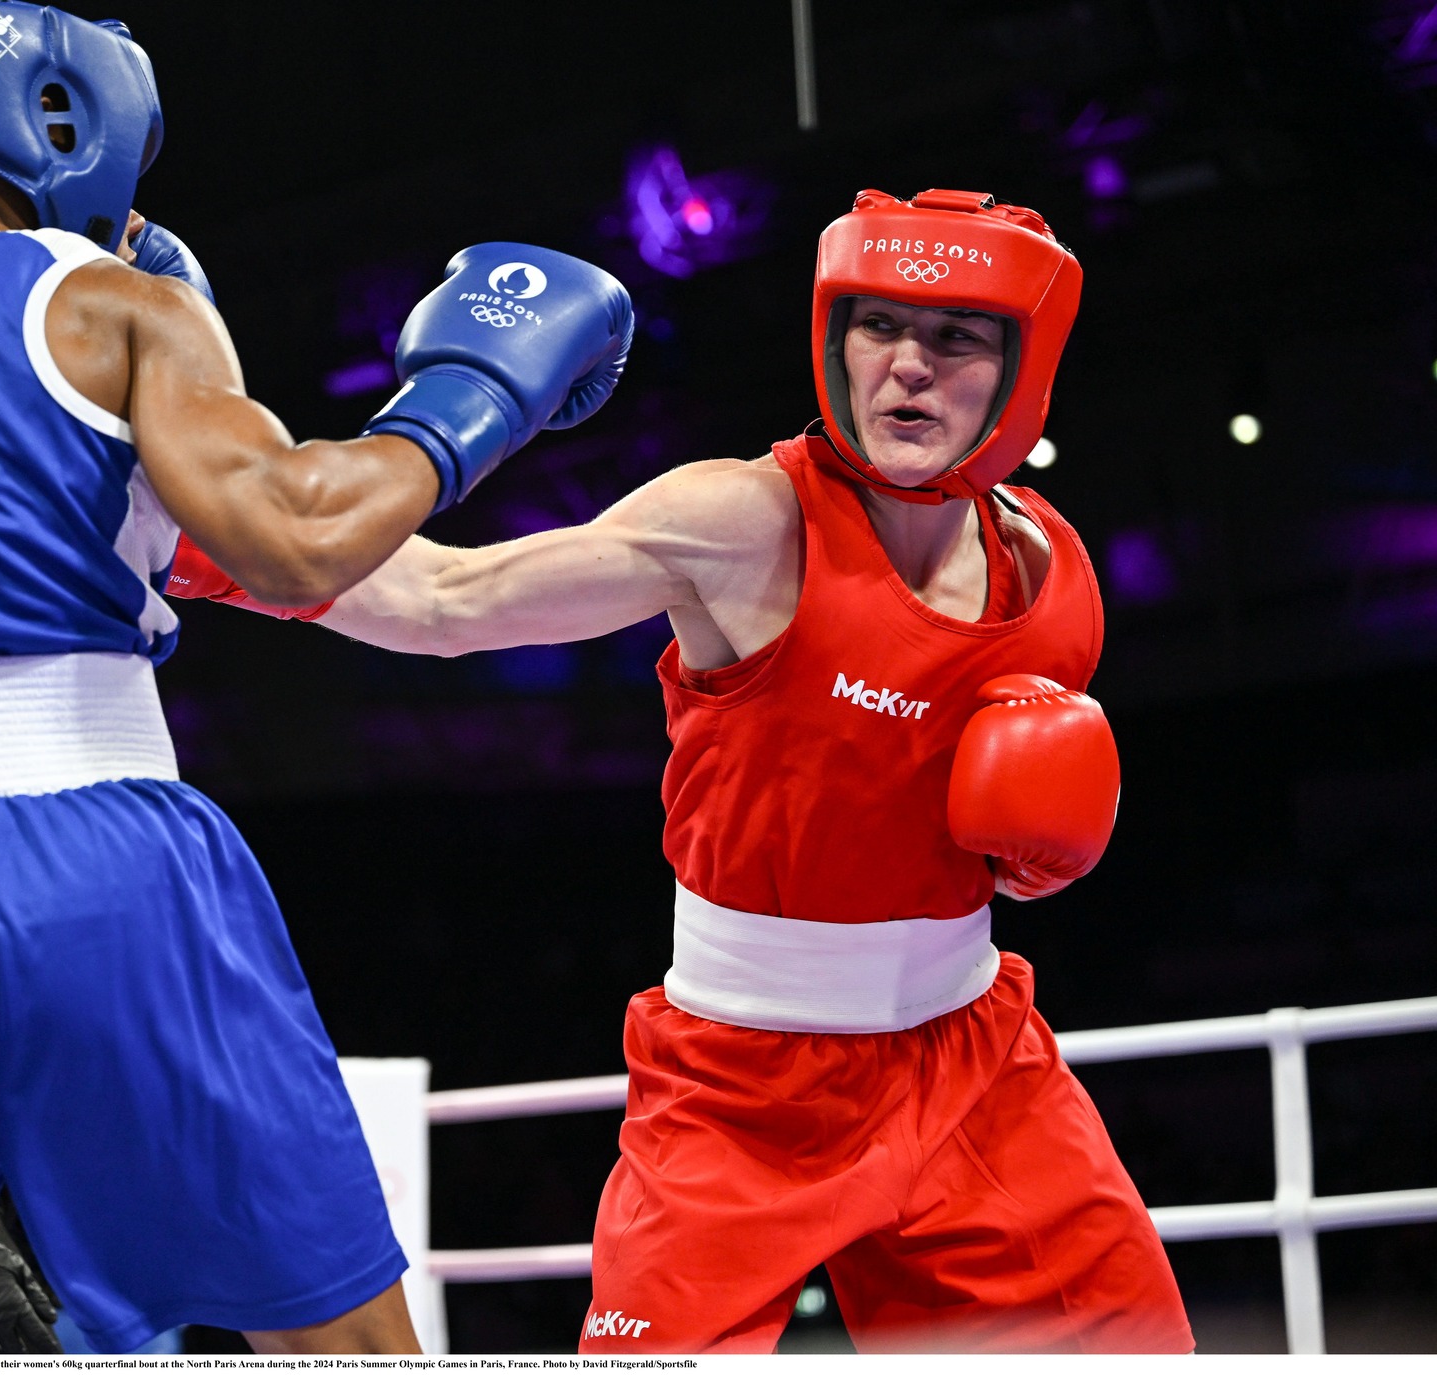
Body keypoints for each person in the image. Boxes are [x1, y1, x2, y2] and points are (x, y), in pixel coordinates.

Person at [0, 0, 632, 1354]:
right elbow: (298, 538)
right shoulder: (119, 305)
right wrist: (469, 399)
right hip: (97, 855)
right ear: (74, 121)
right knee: (337, 1330)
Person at [169, 188, 1196, 1353]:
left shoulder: (1051, 572)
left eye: (953, 337)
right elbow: (443, 601)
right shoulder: (746, 522)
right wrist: (203, 533)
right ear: (831, 340)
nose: (905, 368)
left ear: (1021, 365)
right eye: (877, 329)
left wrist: (1030, 856)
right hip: (741, 1091)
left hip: (972, 1063)